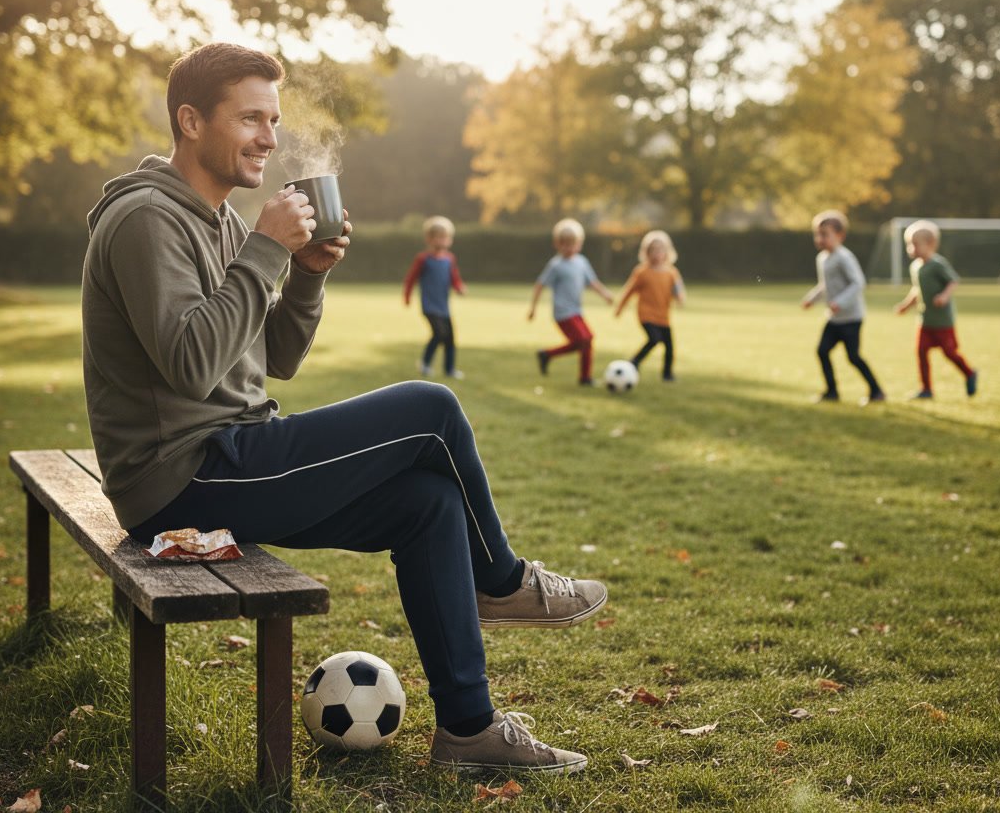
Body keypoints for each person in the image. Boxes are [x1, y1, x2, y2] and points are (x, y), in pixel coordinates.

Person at [81, 43, 607, 774]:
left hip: (234, 455)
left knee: (427, 503)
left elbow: (271, 358)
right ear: (191, 121)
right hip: (180, 480)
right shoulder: (147, 219)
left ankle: (469, 730)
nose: (269, 137)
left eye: (274, 120)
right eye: (251, 119)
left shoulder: (221, 219)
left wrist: (302, 276)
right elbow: (192, 364)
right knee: (430, 407)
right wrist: (267, 249)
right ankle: (502, 580)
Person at [801, 210, 886, 405]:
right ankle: (831, 392)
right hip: (834, 319)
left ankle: (876, 391)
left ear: (840, 235)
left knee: (853, 357)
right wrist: (811, 299)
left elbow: (858, 283)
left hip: (851, 318)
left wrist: (840, 302)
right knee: (822, 351)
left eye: (825, 234)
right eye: (817, 234)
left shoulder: (844, 257)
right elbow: (825, 285)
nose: (820, 239)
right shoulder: (822, 258)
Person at [893, 219, 978, 399]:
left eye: (915, 244)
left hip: (942, 321)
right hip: (925, 320)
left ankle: (969, 373)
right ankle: (926, 389)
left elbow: (953, 281)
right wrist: (906, 305)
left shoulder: (938, 264)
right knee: (921, 352)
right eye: (909, 244)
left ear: (930, 244)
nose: (911, 248)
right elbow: (917, 290)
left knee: (949, 353)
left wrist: (944, 296)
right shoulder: (915, 267)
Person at [528, 218, 613, 386]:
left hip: (576, 310)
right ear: (557, 244)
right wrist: (533, 308)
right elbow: (540, 285)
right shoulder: (556, 265)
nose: (569, 248)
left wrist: (605, 295)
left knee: (586, 340)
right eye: (565, 244)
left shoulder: (582, 262)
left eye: (573, 244)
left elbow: (592, 282)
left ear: (579, 244)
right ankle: (583, 377)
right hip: (562, 312)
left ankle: (549, 356)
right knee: (584, 339)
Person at [614, 230, 686, 381]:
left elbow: (678, 290)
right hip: (646, 314)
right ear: (646, 253)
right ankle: (635, 362)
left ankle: (667, 374)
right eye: (653, 250)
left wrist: (680, 298)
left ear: (667, 252)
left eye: (660, 250)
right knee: (654, 339)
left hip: (663, 316)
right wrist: (620, 308)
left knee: (669, 346)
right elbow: (629, 291)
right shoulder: (642, 272)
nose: (656, 254)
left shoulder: (672, 273)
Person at [403, 215, 466, 379]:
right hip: (429, 306)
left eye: (446, 237)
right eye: (439, 237)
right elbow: (411, 278)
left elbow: (454, 278)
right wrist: (407, 296)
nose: (443, 240)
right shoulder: (423, 259)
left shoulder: (449, 259)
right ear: (429, 239)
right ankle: (425, 363)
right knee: (439, 333)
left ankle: (450, 369)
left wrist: (459, 288)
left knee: (450, 338)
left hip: (444, 307)